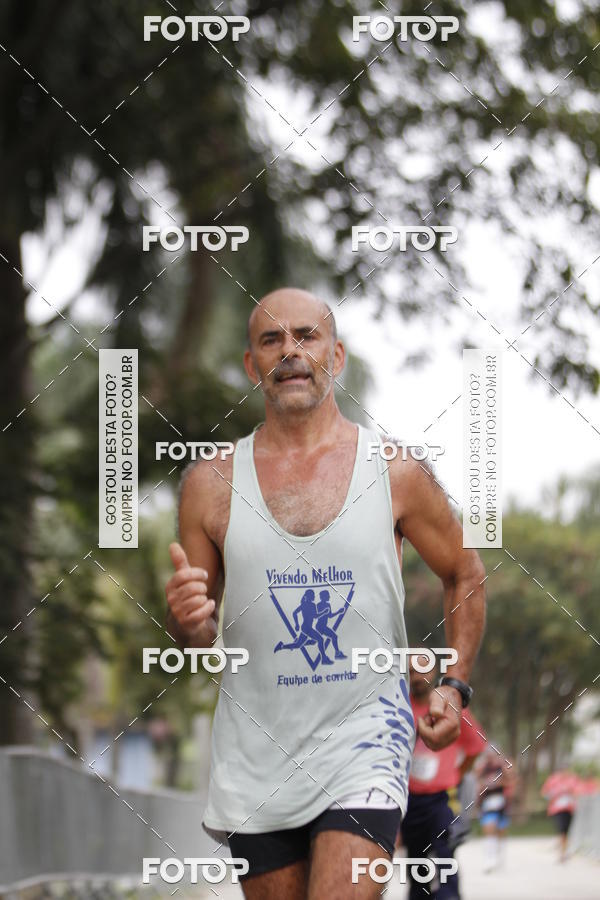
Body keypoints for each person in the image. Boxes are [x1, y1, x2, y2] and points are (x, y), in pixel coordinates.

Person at [165, 287, 486, 899]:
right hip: (254, 753)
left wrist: (455, 682)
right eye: (271, 339)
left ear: (335, 356)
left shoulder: (394, 472)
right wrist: (187, 619)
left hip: (365, 740)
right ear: (251, 365)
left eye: (306, 336)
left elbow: (464, 572)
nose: (290, 350)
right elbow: (198, 638)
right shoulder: (210, 484)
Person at [400, 655, 487, 899]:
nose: (417, 677)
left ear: (434, 671)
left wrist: (456, 775)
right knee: (416, 858)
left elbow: (475, 747)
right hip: (408, 799)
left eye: (422, 670)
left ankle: (449, 896)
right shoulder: (399, 706)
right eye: (410, 671)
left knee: (444, 851)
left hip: (442, 797)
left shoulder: (447, 705)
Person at [475, 745, 515, 872]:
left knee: (501, 832)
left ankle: (500, 858)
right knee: (489, 829)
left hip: (501, 802)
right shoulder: (483, 768)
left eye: (492, 755)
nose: (490, 758)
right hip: (488, 803)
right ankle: (489, 859)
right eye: (488, 755)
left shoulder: (501, 767)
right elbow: (477, 782)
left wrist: (498, 782)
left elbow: (512, 781)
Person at [540, 769, 581, 862]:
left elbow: (578, 792)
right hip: (557, 809)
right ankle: (562, 853)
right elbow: (544, 793)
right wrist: (554, 795)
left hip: (569, 808)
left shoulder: (573, 780)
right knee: (561, 829)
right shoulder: (553, 780)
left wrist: (571, 792)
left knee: (566, 831)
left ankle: (564, 850)